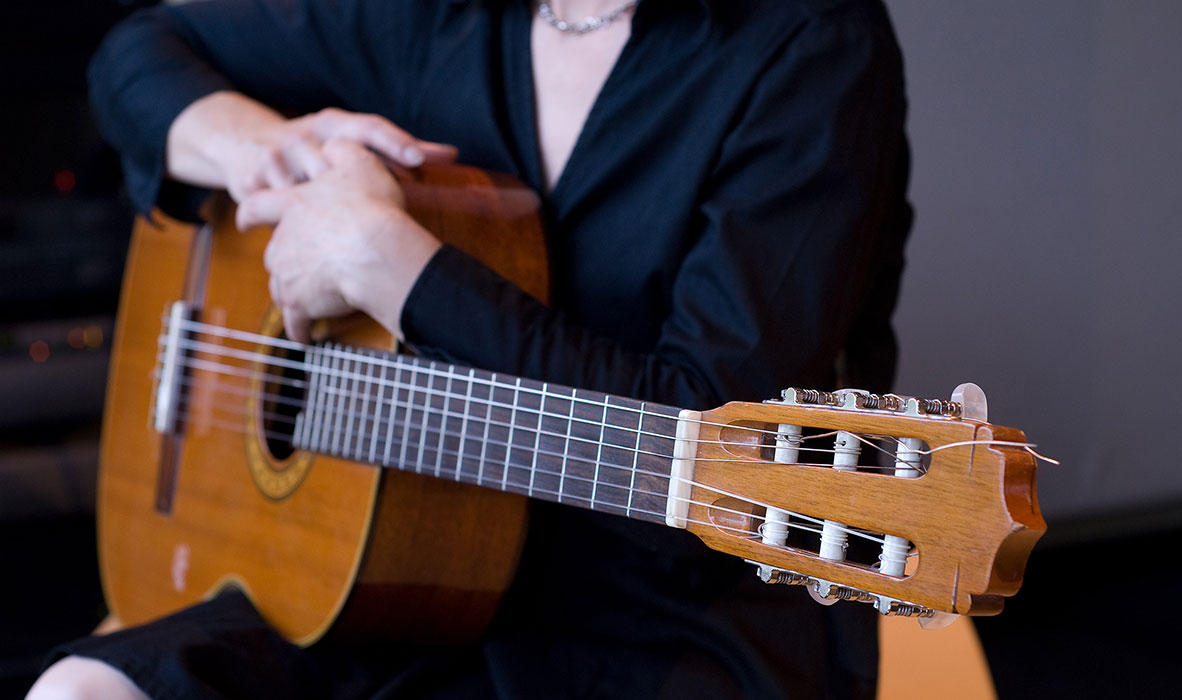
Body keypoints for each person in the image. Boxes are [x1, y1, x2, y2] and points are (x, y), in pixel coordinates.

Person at [30, 0, 912, 697]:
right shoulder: (439, 16)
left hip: (655, 628)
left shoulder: (812, 44)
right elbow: (141, 51)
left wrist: (393, 269)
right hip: (394, 574)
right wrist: (274, 157)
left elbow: (704, 457)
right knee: (77, 690)